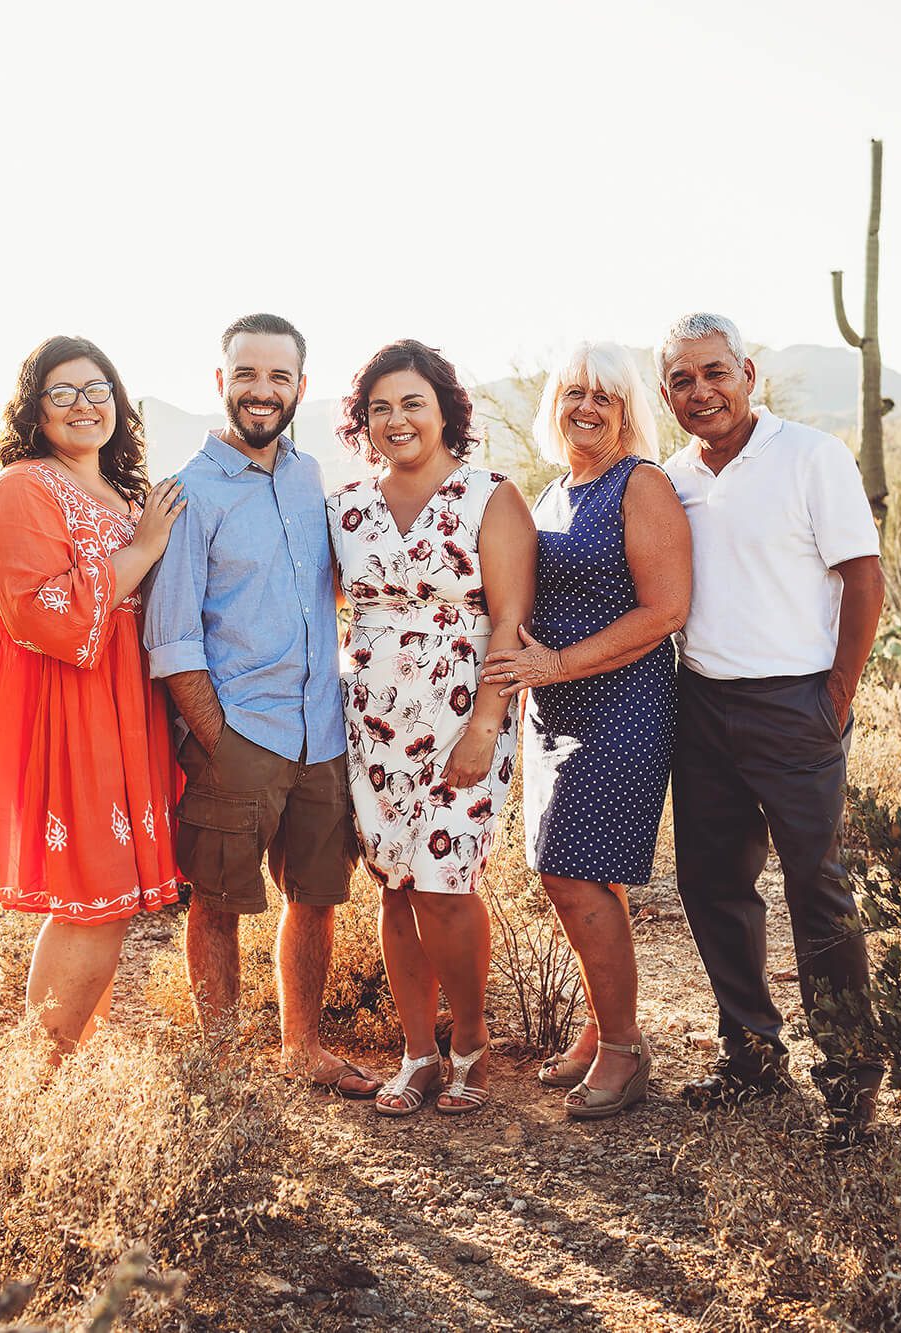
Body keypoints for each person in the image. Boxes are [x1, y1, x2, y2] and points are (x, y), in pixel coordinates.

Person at [656, 311, 887, 1147]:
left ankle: (851, 1079)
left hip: (797, 706)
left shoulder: (811, 456)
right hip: (705, 701)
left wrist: (836, 694)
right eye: (682, 379)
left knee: (816, 888)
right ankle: (751, 1054)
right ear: (665, 393)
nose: (701, 391)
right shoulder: (671, 476)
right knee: (711, 884)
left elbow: (863, 578)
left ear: (748, 373)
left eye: (715, 372)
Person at [142, 313, 381, 1097]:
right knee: (218, 902)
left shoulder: (312, 477)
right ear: (221, 382)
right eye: (247, 374)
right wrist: (217, 737)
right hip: (240, 735)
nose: (262, 390)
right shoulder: (188, 493)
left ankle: (301, 1048)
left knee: (314, 897)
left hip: (322, 730)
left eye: (279, 377)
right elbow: (172, 637)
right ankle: (218, 1065)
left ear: (300, 388)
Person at [481, 341, 691, 1120]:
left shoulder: (642, 485)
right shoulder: (552, 494)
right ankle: (604, 1027)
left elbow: (665, 610)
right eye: (575, 393)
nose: (589, 408)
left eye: (606, 396)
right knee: (569, 872)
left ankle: (625, 1050)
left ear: (630, 409)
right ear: (554, 405)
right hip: (554, 707)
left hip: (622, 702)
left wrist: (560, 664)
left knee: (576, 872)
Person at [328, 340, 536, 1117]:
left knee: (447, 884)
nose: (396, 418)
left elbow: (511, 622)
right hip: (374, 717)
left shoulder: (491, 496)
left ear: (446, 409)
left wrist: (488, 721)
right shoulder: (345, 506)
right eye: (379, 406)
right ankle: (418, 1052)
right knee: (396, 882)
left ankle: (471, 1045)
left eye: (412, 402)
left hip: (464, 712)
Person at [0, 335, 187, 1061]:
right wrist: (146, 549)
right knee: (90, 901)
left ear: (120, 405)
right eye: (62, 392)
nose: (84, 405)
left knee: (111, 905)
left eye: (98, 390)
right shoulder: (21, 487)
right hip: (72, 711)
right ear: (34, 409)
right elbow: (42, 611)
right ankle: (43, 1075)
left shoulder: (125, 496)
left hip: (132, 708)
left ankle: (67, 1066)